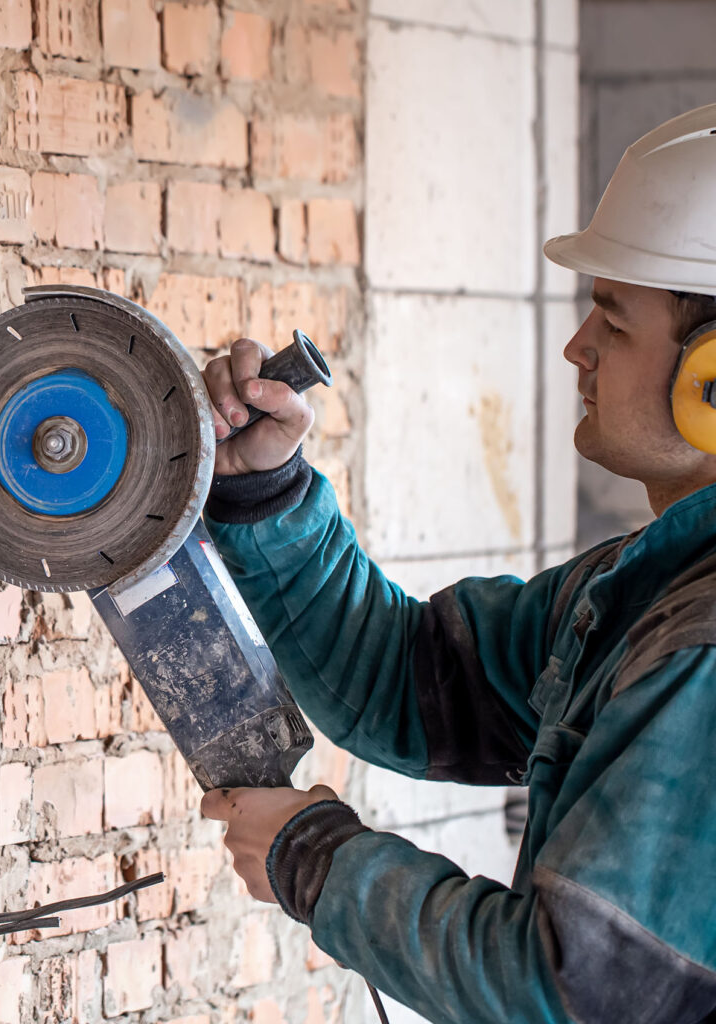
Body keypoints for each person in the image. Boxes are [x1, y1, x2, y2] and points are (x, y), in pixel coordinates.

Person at [199, 104, 716, 1024]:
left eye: (613, 319)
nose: (577, 349)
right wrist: (267, 492)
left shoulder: (703, 652)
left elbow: (565, 991)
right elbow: (409, 681)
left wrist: (320, 858)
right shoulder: (648, 590)